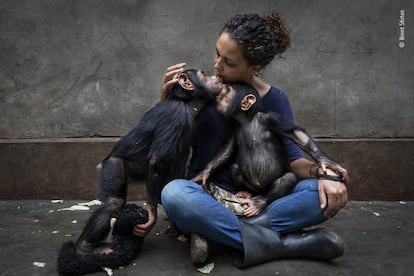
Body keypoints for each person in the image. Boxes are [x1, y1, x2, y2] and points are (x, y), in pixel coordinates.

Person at [137, 10, 349, 267]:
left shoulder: (274, 100)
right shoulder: (199, 89)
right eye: (217, 53)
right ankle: (280, 244)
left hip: (257, 202)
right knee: (174, 194)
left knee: (320, 194)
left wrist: (325, 174)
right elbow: (161, 147)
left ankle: (218, 238)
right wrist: (166, 102)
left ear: (254, 67)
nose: (217, 65)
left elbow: (294, 162)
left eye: (229, 62)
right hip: (206, 200)